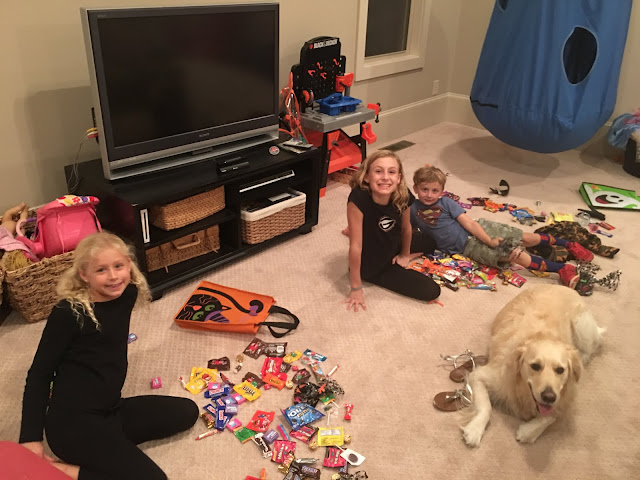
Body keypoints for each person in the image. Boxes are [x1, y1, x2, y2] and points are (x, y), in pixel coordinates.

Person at [19, 232, 199, 480]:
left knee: (187, 411)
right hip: (73, 425)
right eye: (101, 270)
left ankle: (109, 448)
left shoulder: (127, 293)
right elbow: (39, 373)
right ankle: (65, 470)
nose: (113, 276)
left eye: (118, 266)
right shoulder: (68, 313)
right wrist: (30, 438)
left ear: (129, 265)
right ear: (84, 275)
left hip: (112, 409)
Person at [410, 166, 595, 289]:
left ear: (441, 191)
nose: (429, 195)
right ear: (415, 188)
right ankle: (562, 268)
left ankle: (569, 244)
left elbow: (470, 223)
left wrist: (489, 240)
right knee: (516, 256)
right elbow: (409, 232)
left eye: (435, 190)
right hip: (468, 248)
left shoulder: (447, 202)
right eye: (425, 189)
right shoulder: (412, 209)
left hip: (483, 229)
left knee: (526, 238)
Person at [344, 150, 441, 311]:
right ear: (367, 176)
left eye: (391, 172)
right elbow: (355, 245)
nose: (385, 177)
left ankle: (402, 256)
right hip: (373, 263)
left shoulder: (402, 194)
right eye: (378, 171)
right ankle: (383, 268)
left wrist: (405, 255)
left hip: (392, 242)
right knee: (432, 290)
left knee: (430, 241)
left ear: (399, 178)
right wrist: (356, 288)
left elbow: (406, 227)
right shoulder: (358, 199)